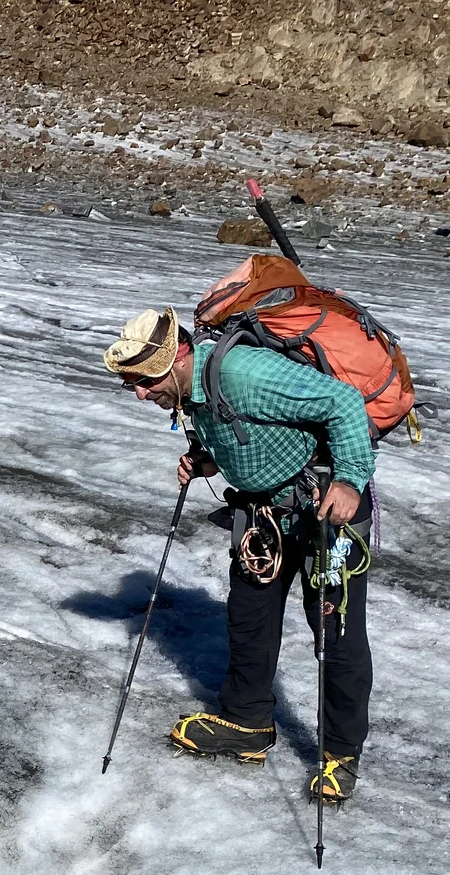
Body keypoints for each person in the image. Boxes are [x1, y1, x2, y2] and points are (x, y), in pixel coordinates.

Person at [102, 306, 374, 803]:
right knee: (249, 619)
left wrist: (351, 480)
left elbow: (344, 401)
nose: (141, 394)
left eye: (143, 381)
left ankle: (341, 754)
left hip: (324, 508)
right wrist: (206, 460)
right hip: (262, 516)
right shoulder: (191, 394)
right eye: (131, 386)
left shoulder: (243, 373)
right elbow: (246, 434)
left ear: (177, 357)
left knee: (334, 632)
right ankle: (247, 723)